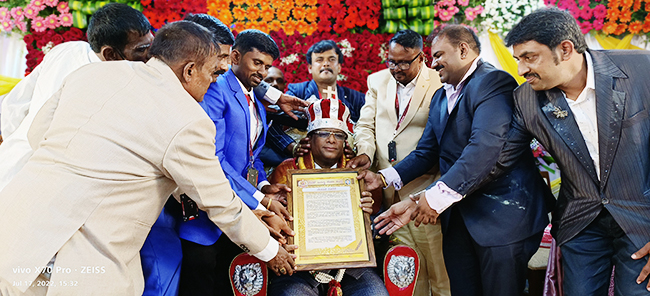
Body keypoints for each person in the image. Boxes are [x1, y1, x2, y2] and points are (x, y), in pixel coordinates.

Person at [0, 21, 295, 296]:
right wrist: (271, 250)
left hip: (17, 232)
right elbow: (220, 204)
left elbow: (38, 135)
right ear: (190, 70)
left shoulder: (92, 73)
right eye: (213, 73)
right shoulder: (188, 118)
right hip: (83, 261)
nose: (214, 83)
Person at [365, 25, 554, 296]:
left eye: (439, 54)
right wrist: (384, 177)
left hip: (501, 218)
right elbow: (426, 152)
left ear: (463, 49)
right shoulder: (441, 96)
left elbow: (484, 148)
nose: (433, 62)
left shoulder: (493, 82)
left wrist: (432, 198)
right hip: (459, 219)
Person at [488, 8, 650, 295]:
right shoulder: (526, 98)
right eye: (518, 60)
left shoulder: (641, 69)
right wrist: (436, 195)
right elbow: (498, 160)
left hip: (643, 218)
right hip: (582, 223)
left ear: (565, 49)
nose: (522, 70)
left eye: (529, 57)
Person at [177, 29, 293, 296]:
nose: (262, 72)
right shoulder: (216, 90)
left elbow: (253, 157)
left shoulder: (256, 100)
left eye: (267, 66)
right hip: (208, 214)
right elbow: (213, 159)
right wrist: (260, 199)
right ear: (235, 56)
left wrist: (263, 186)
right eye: (257, 63)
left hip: (243, 213)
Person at [0, 3, 154, 192]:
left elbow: (12, 106)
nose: (149, 56)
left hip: (10, 162)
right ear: (110, 54)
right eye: (142, 49)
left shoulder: (68, 50)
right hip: (41, 183)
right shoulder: (114, 82)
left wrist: (16, 140)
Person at [347, 29, 450, 296]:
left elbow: (441, 142)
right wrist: (366, 154)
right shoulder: (377, 81)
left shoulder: (440, 82)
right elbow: (365, 125)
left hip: (425, 189)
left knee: (438, 267)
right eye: (392, 61)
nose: (397, 68)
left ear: (421, 57)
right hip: (387, 192)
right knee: (404, 269)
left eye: (404, 62)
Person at [267, 98, 388, 296]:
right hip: (299, 268)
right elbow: (272, 220)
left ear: (345, 141)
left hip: (353, 267)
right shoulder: (287, 170)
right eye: (323, 133)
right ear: (310, 137)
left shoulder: (358, 175)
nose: (331, 140)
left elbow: (375, 221)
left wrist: (366, 216)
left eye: (339, 135)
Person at [265, 40, 366, 161]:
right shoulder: (297, 92)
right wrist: (292, 147)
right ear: (310, 68)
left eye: (331, 59)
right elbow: (272, 120)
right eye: (319, 60)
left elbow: (366, 129)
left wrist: (356, 151)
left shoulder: (356, 98)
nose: (326, 64)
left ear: (339, 67)